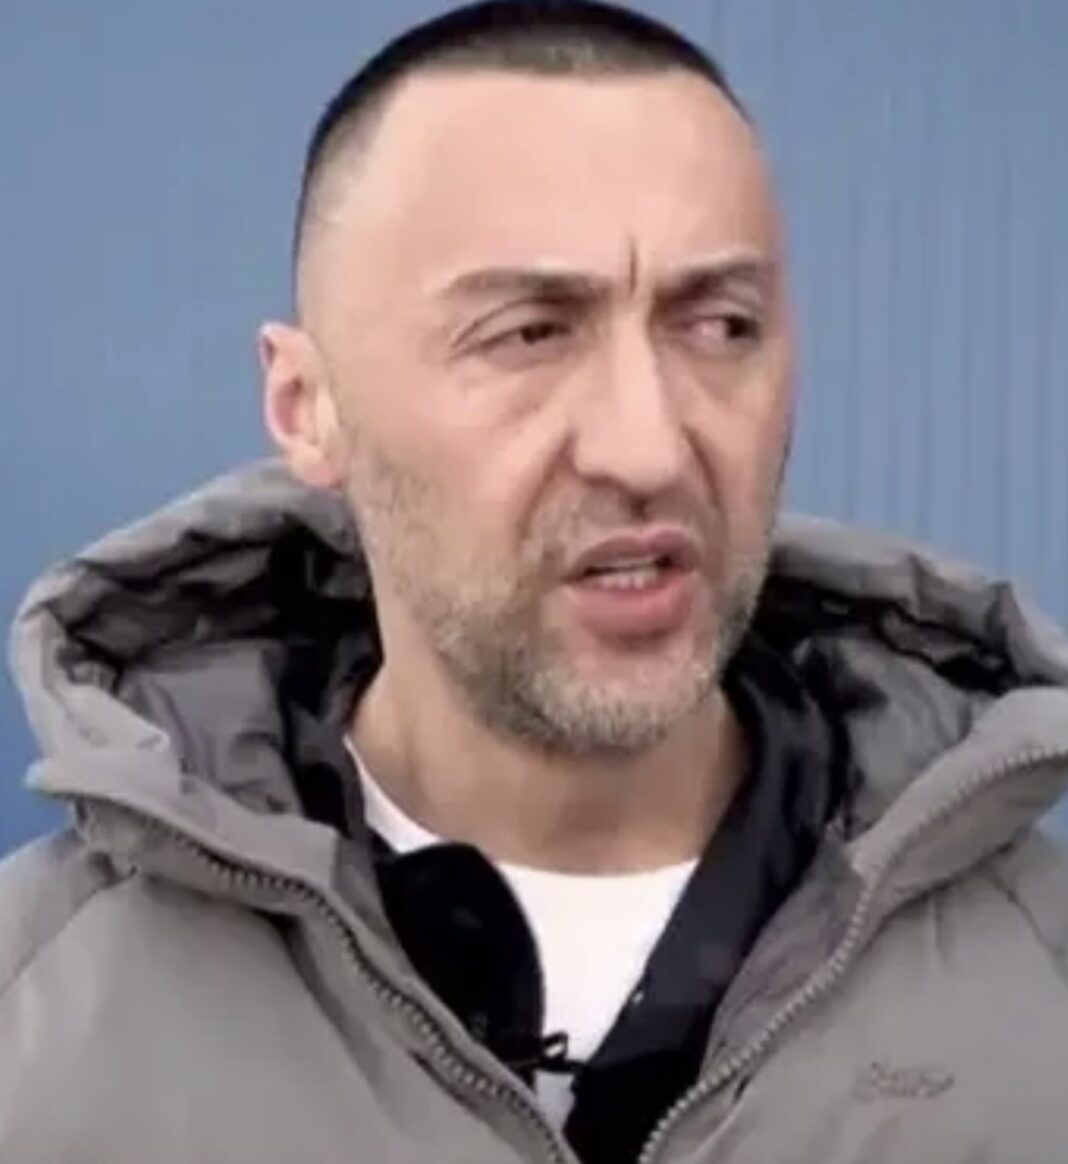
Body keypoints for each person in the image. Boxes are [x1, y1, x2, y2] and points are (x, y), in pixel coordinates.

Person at [2, 1, 1068, 1160]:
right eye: (528, 334)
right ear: (307, 407)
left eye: (719, 327)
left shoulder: (1039, 998)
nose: (647, 449)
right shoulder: (39, 1030)